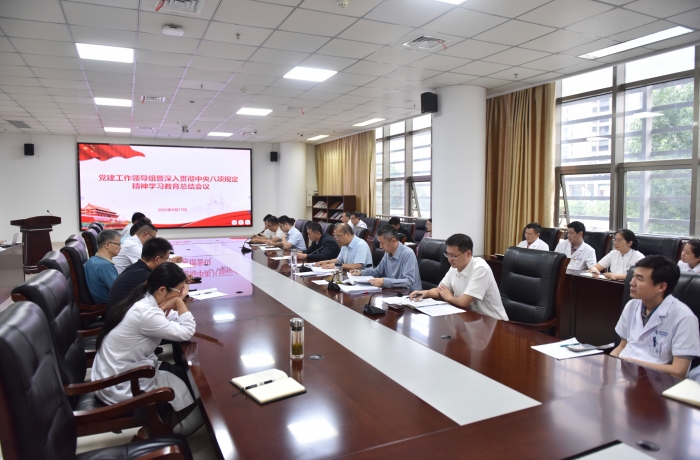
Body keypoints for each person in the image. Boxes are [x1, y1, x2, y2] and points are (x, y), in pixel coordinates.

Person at [92, 263, 202, 435]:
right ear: (162, 290)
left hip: (119, 368)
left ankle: (164, 420)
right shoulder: (146, 313)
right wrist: (179, 303)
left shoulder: (144, 298)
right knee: (190, 382)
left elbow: (169, 319)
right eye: (179, 290)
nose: (181, 293)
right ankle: (162, 430)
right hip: (120, 381)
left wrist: (175, 304)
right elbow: (186, 333)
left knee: (184, 375)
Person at [610, 255, 700, 380]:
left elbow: (679, 371)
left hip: (657, 382)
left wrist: (632, 363)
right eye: (633, 276)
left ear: (661, 287)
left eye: (639, 279)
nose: (631, 282)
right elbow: (622, 346)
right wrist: (609, 364)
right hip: (624, 375)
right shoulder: (632, 305)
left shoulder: (684, 318)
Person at [410, 233, 508, 321]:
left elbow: (464, 302)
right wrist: (425, 293)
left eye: (453, 256)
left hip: (493, 322)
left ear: (468, 254)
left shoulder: (480, 268)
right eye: (447, 254)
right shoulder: (455, 266)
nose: (449, 259)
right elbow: (441, 290)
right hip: (469, 318)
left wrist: (449, 297)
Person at [107, 237, 175, 312]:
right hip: (122, 317)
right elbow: (164, 299)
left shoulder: (135, 269)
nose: (167, 262)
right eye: (167, 258)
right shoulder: (144, 275)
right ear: (157, 259)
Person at [350, 225, 421, 291]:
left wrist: (384, 281)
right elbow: (378, 272)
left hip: (410, 295)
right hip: (394, 292)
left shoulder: (407, 254)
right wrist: (361, 273)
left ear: (393, 240)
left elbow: (409, 282)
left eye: (382, 243)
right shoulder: (387, 253)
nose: (380, 246)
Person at [84, 229, 121, 304]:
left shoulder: (92, 260)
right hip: (112, 306)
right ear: (107, 245)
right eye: (118, 244)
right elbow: (120, 291)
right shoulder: (105, 266)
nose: (120, 248)